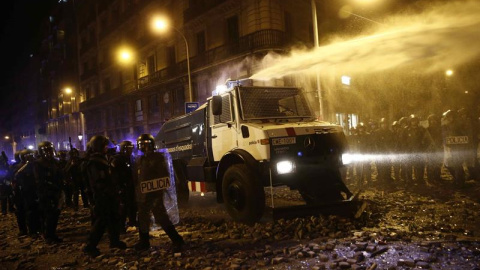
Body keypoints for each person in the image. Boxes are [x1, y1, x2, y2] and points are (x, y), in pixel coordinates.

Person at [133, 134, 184, 252]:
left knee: (161, 217)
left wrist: (158, 191)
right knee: (143, 218)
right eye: (142, 144)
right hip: (143, 195)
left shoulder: (158, 158)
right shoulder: (139, 160)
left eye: (147, 144)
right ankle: (144, 242)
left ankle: (177, 240)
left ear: (152, 145)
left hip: (154, 193)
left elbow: (164, 176)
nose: (144, 147)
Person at [83, 135, 126, 258]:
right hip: (102, 196)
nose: (107, 147)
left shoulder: (102, 158)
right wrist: (109, 190)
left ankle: (114, 241)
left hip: (110, 194)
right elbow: (99, 181)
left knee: (114, 218)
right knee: (101, 222)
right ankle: (90, 246)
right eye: (104, 145)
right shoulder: (94, 162)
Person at [33, 141, 64, 243]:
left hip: (56, 191)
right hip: (46, 192)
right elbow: (39, 179)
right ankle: (48, 235)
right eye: (46, 150)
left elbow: (59, 174)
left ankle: (52, 233)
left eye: (50, 150)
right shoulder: (38, 163)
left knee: (55, 214)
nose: (49, 152)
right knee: (48, 214)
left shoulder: (54, 162)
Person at [111, 140, 137, 233]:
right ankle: (121, 226)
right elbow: (114, 175)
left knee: (132, 205)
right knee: (123, 207)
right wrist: (119, 187)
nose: (130, 150)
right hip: (122, 186)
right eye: (129, 148)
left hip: (130, 186)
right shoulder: (117, 159)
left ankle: (132, 222)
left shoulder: (130, 158)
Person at [15, 149, 40, 237]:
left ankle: (36, 229)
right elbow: (15, 177)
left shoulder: (35, 165)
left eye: (31, 154)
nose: (30, 156)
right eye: (27, 155)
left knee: (35, 210)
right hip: (22, 192)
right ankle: (25, 230)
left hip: (33, 191)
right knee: (22, 212)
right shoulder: (18, 167)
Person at [373, 118, 395, 188]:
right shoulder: (377, 132)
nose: (384, 125)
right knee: (379, 165)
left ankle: (387, 177)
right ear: (381, 124)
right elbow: (375, 143)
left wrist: (390, 150)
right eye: (383, 124)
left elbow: (392, 142)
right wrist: (377, 151)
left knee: (388, 165)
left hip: (387, 152)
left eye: (385, 124)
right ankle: (380, 178)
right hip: (379, 152)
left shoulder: (390, 132)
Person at [426, 114, 443, 183]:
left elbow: (442, 138)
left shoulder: (440, 129)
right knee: (430, 163)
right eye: (431, 120)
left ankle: (437, 176)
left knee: (438, 163)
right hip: (430, 148)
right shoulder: (427, 129)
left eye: (434, 120)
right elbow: (425, 139)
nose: (433, 121)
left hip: (438, 147)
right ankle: (430, 178)